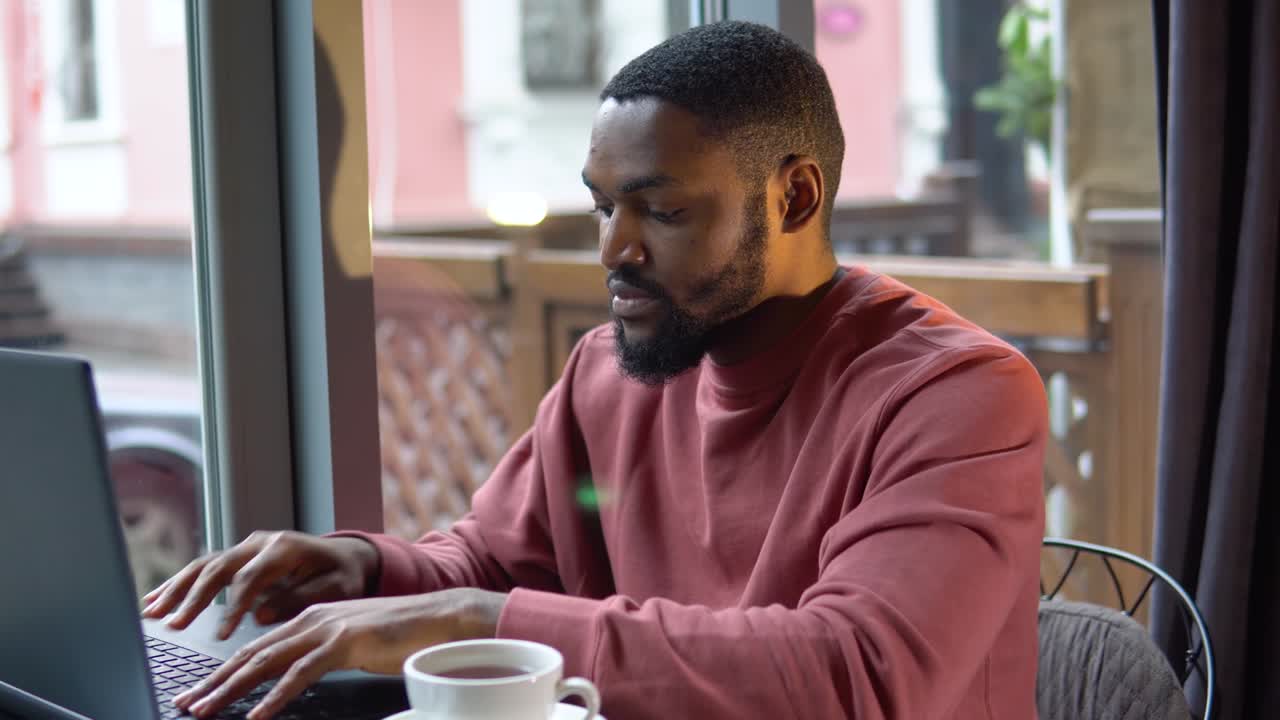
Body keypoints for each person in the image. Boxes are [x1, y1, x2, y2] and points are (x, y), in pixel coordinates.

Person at [143, 21, 1047, 720]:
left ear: (795, 196)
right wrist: (362, 571)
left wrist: (474, 621)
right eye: (603, 205)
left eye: (660, 209)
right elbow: (500, 561)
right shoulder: (609, 374)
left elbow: (855, 676)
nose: (614, 247)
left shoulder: (959, 393)